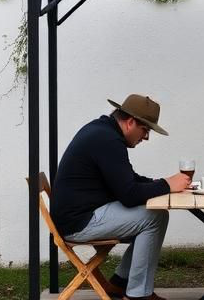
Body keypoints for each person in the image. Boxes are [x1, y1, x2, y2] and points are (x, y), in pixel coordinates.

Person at [51, 94, 191, 300]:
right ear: (131, 122)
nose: (146, 137)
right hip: (79, 222)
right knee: (154, 218)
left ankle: (120, 284)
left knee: (153, 215)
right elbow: (129, 195)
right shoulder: (107, 139)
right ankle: (137, 295)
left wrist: (161, 182)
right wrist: (167, 184)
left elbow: (128, 180)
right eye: (145, 130)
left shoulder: (102, 132)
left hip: (80, 214)